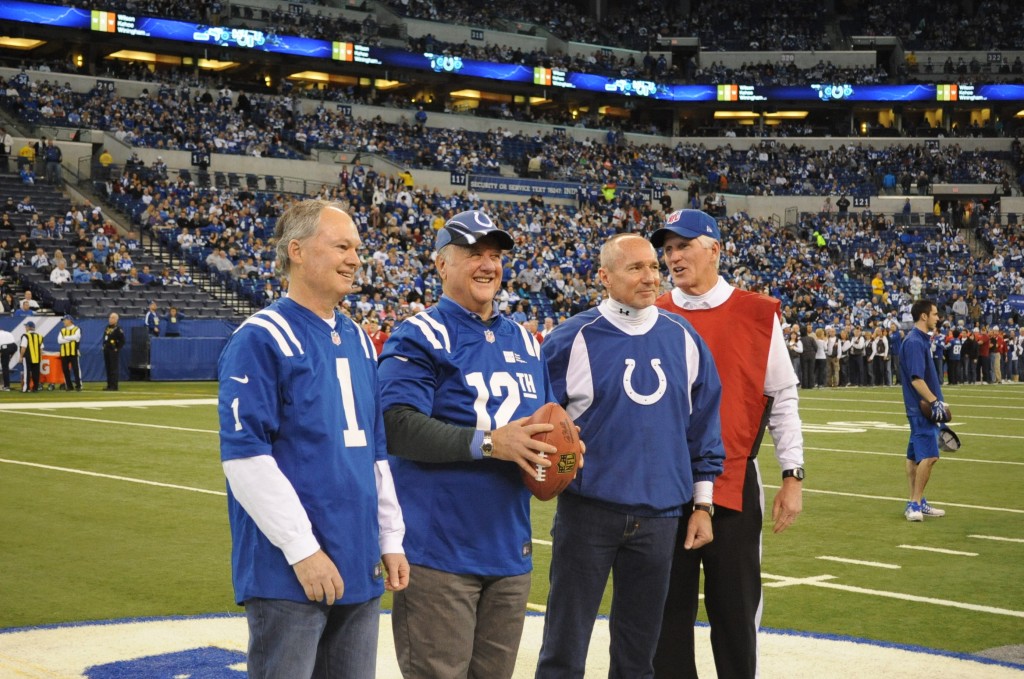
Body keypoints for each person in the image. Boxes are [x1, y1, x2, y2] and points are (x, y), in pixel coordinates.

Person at [218, 199, 409, 678]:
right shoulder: (261, 337)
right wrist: (303, 550)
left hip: (358, 557)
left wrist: (389, 536)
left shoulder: (360, 338)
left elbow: (376, 451)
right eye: (342, 245)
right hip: (290, 571)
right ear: (298, 251)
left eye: (357, 248)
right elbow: (245, 458)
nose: (355, 258)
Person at [377, 210, 558, 679]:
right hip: (440, 553)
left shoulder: (525, 339)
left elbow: (549, 425)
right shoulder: (419, 334)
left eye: (495, 255)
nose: (487, 265)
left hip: (509, 549)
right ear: (441, 264)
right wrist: (490, 444)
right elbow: (396, 425)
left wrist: (564, 453)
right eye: (474, 253)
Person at [535, 233, 725, 678]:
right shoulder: (570, 339)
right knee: (564, 645)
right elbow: (539, 419)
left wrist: (702, 504)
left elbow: (703, 429)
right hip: (588, 512)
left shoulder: (684, 338)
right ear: (604, 276)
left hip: (661, 516)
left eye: (653, 267)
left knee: (639, 653)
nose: (650, 277)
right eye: (635, 268)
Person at [650, 209, 805, 679]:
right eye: (668, 249)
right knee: (667, 615)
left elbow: (782, 397)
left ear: (714, 249)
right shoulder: (652, 313)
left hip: (734, 479)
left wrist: (792, 474)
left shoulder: (758, 313)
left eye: (684, 246)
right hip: (666, 484)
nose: (673, 256)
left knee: (736, 613)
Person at [899, 299, 949, 522]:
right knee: (929, 456)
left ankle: (917, 500)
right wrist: (935, 402)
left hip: (921, 408)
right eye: (935, 314)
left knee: (914, 456)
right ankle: (915, 503)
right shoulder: (915, 342)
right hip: (921, 409)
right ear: (923, 316)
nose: (938, 318)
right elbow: (917, 379)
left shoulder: (919, 340)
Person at [57, 314, 83, 392]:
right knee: (65, 370)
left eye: (65, 320)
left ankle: (78, 385)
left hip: (73, 352)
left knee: (76, 369)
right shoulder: (62, 330)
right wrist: (70, 339)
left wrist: (65, 338)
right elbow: (59, 341)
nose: (63, 322)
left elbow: (77, 337)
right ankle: (69, 386)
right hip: (64, 353)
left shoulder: (77, 329)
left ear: (69, 320)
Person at [102, 312, 125, 390]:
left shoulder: (118, 329)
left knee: (113, 368)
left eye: (112, 318)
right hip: (106, 350)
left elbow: (122, 341)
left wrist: (117, 348)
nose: (110, 319)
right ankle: (109, 385)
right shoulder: (107, 328)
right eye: (109, 317)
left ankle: (114, 386)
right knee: (108, 368)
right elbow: (105, 338)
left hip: (113, 350)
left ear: (116, 319)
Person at [20, 320, 43, 393]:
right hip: (37, 357)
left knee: (27, 373)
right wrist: (40, 357)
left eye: (26, 326)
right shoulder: (39, 336)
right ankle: (35, 388)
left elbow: (23, 348)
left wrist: (21, 357)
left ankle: (26, 388)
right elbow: (41, 348)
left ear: (28, 327)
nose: (25, 328)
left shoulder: (26, 336)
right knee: (36, 373)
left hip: (28, 357)